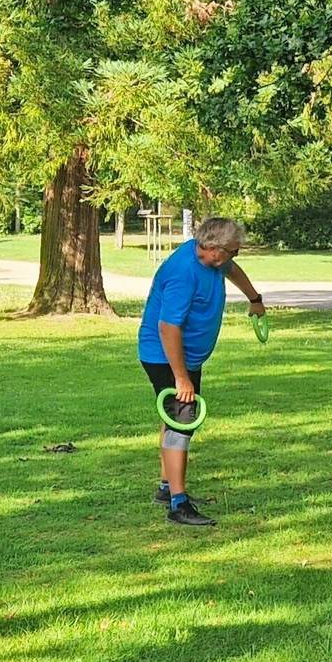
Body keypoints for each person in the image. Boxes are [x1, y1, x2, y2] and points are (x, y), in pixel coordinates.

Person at [140, 217, 264, 526]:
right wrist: (181, 377)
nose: (234, 258)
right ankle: (178, 505)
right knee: (182, 421)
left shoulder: (214, 260)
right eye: (232, 252)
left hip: (187, 357)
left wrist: (254, 298)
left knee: (175, 420)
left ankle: (166, 487)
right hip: (165, 356)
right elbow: (168, 327)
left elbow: (232, 270)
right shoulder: (183, 272)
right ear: (212, 247)